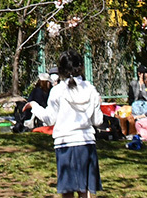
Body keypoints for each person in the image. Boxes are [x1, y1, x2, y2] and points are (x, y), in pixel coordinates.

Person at [28, 51, 103, 198]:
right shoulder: (90, 89)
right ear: (81, 67)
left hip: (64, 144)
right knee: (84, 190)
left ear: (60, 70)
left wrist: (34, 106)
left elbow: (49, 119)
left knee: (67, 191)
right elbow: (98, 121)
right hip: (86, 143)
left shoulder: (57, 91)